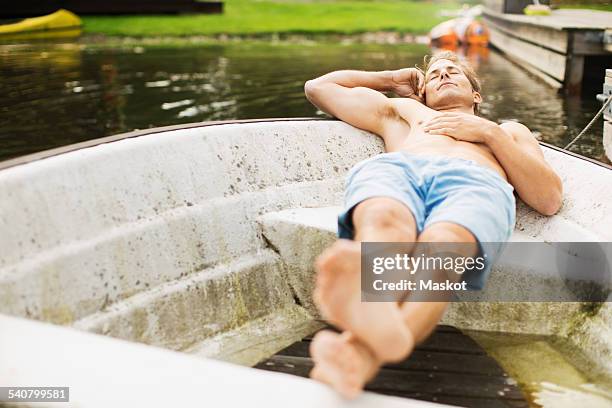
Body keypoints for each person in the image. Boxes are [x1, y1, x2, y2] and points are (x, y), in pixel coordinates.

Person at [303, 50, 563, 399]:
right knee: (384, 220)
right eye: (435, 73)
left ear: (476, 95)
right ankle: (383, 331)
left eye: (453, 71)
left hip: (474, 182)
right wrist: (389, 80)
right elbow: (319, 88)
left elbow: (548, 198)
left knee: (444, 244)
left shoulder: (507, 131)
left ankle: (364, 346)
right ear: (423, 92)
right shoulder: (407, 112)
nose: (442, 74)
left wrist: (488, 133)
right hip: (402, 171)